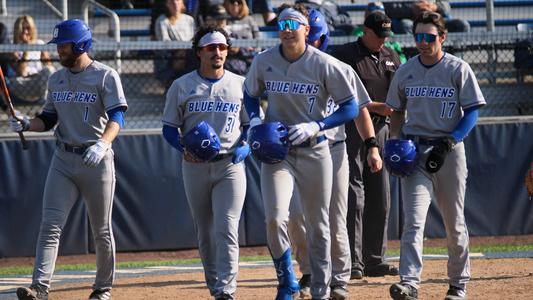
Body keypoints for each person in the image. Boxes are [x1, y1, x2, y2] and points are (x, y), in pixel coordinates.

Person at [243, 3, 360, 299]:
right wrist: (255, 117)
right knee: (275, 216)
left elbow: (350, 107)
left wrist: (317, 125)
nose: (286, 30)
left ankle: (321, 289)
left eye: (292, 24)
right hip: (277, 152)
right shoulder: (264, 60)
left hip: (314, 149)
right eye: (281, 25)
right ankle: (287, 281)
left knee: (320, 223)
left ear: (307, 30)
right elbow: (249, 93)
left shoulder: (325, 64)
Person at [11, 19, 127, 300]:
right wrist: (28, 124)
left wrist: (103, 143)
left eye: (63, 45)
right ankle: (40, 287)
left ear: (81, 45)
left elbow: (118, 117)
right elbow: (48, 119)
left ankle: (102, 288)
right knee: (50, 224)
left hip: (96, 159)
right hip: (63, 158)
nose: (59, 50)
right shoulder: (55, 78)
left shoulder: (105, 75)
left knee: (101, 229)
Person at [386, 11, 485, 300]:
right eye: (418, 36)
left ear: (442, 37)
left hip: (449, 152)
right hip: (415, 152)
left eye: (429, 37)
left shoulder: (458, 68)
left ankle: (458, 282)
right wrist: (394, 140)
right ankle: (410, 283)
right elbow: (397, 111)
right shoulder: (405, 71)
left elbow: (472, 112)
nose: (423, 42)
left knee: (453, 221)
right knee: (413, 221)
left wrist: (450, 142)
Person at [286, 8, 380, 300]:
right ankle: (310, 271)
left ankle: (339, 278)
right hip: (298, 151)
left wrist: (372, 145)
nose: (311, 43)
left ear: (322, 37)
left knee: (336, 215)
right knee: (295, 216)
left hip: (333, 148)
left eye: (315, 37)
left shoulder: (339, 68)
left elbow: (360, 111)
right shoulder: (286, 66)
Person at [161, 25, 250, 300]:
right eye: (211, 47)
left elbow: (250, 124)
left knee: (227, 226)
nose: (218, 52)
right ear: (199, 52)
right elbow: (168, 128)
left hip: (230, 164)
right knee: (205, 231)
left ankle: (226, 289)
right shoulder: (182, 85)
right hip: (195, 165)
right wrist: (183, 148)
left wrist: (245, 144)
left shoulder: (240, 84)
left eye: (222, 47)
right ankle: (215, 285)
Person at [331, 11, 402, 280]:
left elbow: (397, 94)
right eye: (378, 35)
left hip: (382, 129)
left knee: (381, 197)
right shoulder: (346, 54)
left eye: (386, 35)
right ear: (366, 31)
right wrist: (375, 106)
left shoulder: (391, 56)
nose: (383, 41)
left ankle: (375, 259)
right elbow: (342, 97)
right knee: (354, 197)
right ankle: (354, 260)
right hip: (351, 129)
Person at [7, 15, 55, 103]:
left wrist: (45, 59)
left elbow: (49, 67)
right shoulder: (11, 47)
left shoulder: (39, 44)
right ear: (17, 30)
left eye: (28, 28)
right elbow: (22, 73)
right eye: (22, 29)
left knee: (50, 70)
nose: (25, 32)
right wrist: (26, 49)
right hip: (21, 84)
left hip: (37, 82)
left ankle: (48, 102)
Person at [154, 0, 197, 90]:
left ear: (182, 3)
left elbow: (194, 39)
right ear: (167, 4)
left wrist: (184, 51)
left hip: (188, 53)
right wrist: (179, 52)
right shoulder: (162, 20)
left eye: (177, 1)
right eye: (171, 2)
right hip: (170, 55)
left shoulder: (190, 20)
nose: (175, 4)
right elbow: (165, 42)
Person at [388, 0, 470, 34]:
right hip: (412, 21)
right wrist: (411, 9)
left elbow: (447, 6)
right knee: (405, 25)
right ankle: (416, 58)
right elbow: (389, 6)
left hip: (436, 20)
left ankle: (449, 58)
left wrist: (435, 6)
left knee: (462, 25)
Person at [223, 0, 259, 75]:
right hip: (229, 58)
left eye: (239, 2)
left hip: (247, 57)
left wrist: (243, 48)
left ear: (243, 4)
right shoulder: (224, 19)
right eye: (232, 2)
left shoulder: (249, 20)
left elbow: (257, 40)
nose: (235, 4)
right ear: (227, 4)